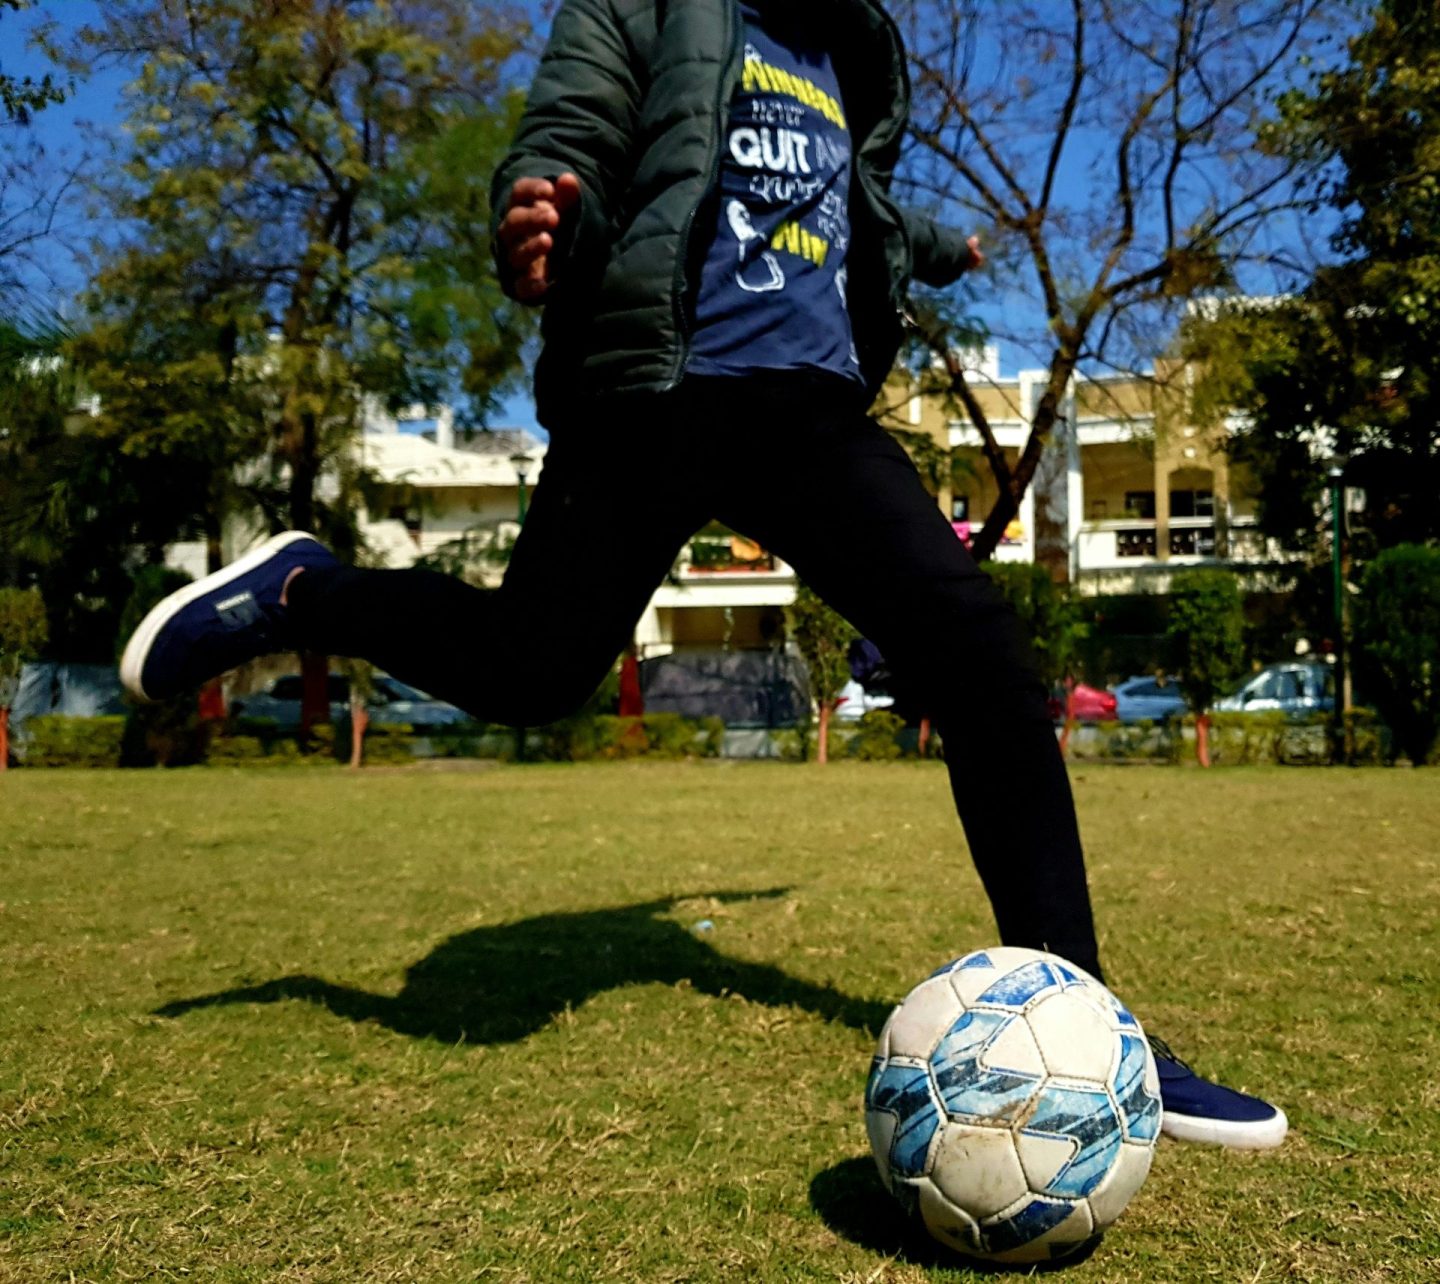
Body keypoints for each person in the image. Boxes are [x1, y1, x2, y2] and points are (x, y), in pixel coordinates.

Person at [121, 0, 1284, 1149]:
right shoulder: (644, 5)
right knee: (533, 669)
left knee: (984, 667)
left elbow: (866, 208)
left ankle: (1089, 1034)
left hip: (812, 413)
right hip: (655, 390)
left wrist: (946, 248)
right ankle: (301, 594)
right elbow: (567, 135)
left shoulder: (853, 49)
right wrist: (539, 217)